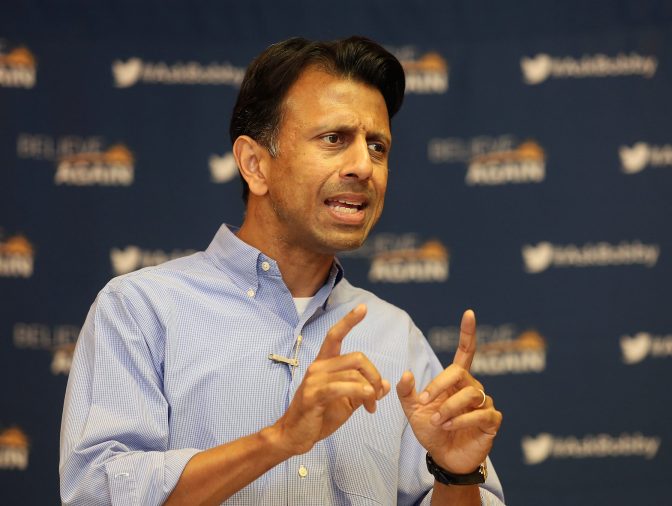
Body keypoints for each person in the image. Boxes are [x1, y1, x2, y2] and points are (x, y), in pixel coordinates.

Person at [60, 36, 504, 505]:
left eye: (377, 147)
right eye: (334, 139)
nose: (363, 166)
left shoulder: (396, 335)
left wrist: (455, 477)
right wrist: (280, 440)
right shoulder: (141, 310)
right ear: (255, 164)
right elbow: (97, 493)